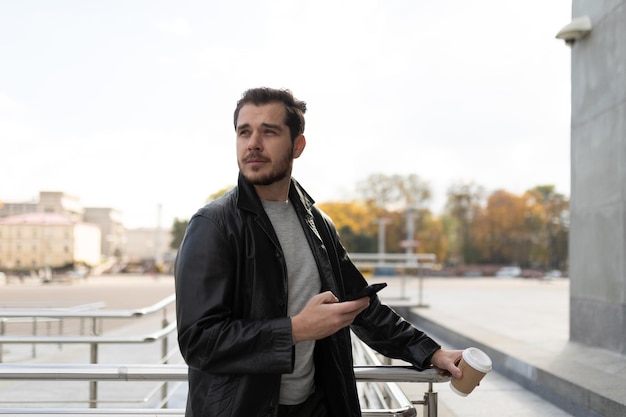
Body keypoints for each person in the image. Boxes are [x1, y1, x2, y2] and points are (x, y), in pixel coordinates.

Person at [174, 87, 463, 417]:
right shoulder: (213, 224)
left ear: (297, 146)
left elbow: (360, 305)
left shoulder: (317, 222)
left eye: (269, 131)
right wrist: (296, 329)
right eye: (244, 132)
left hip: (314, 405)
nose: (253, 143)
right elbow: (199, 341)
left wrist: (431, 352)